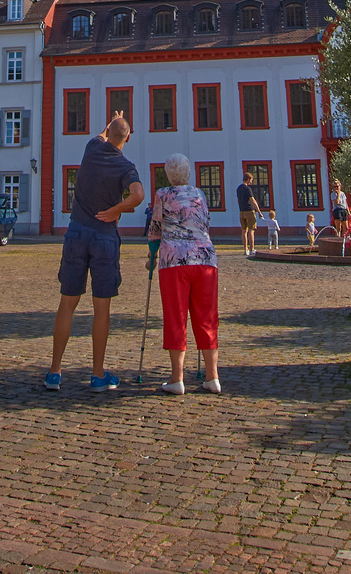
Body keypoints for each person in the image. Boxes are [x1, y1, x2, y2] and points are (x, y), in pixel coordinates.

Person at [47, 112, 145, 393]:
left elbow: (103, 135)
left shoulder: (91, 149)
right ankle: (98, 374)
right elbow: (138, 195)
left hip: (76, 233)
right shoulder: (125, 166)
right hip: (104, 238)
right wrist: (116, 210)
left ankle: (54, 372)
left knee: (67, 303)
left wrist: (112, 121)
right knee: (102, 307)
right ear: (127, 138)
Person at [146, 153, 221, 395]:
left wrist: (152, 256)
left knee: (176, 316)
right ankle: (212, 377)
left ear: (168, 174)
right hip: (205, 260)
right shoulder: (200, 194)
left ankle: (177, 378)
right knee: (207, 317)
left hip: (174, 261)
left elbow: (156, 228)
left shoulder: (163, 195)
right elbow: (205, 224)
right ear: (188, 174)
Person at [236, 171, 261, 255]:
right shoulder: (247, 189)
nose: (251, 182)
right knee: (251, 230)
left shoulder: (239, 188)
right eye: (251, 180)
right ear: (248, 179)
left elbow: (238, 200)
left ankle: (245, 249)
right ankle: (252, 249)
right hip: (249, 211)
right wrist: (259, 211)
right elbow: (252, 200)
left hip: (242, 211)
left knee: (244, 230)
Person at [331, 177, 351, 242]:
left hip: (343, 209)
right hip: (337, 210)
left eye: (337, 186)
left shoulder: (343, 194)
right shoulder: (333, 194)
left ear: (340, 186)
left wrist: (348, 211)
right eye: (334, 187)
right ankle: (338, 240)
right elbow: (337, 202)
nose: (336, 188)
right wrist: (338, 194)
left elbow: (345, 203)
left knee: (346, 227)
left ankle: (347, 240)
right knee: (338, 227)